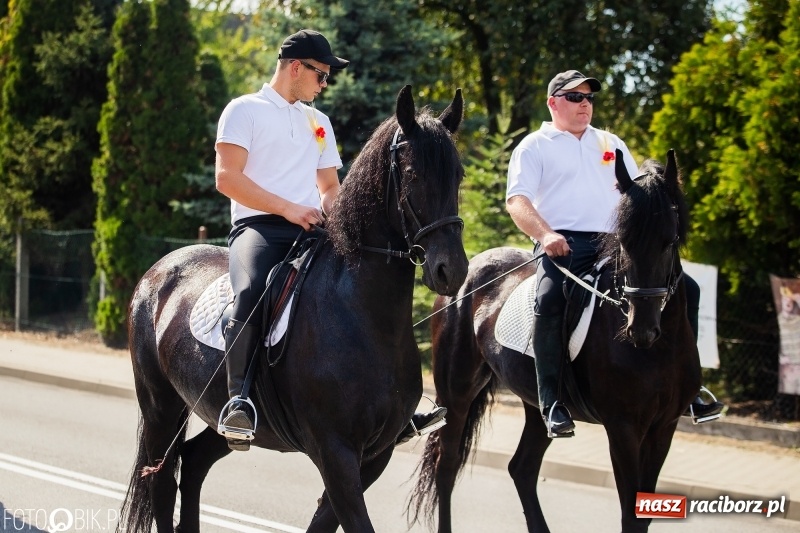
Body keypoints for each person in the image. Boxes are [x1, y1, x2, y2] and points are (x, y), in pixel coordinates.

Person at [215, 29, 446, 449]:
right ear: (296, 67)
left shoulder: (318, 123)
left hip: (315, 228)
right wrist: (287, 208)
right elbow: (227, 178)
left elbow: (328, 187)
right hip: (260, 229)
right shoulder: (243, 110)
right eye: (321, 75)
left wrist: (340, 218)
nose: (325, 85)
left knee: (368, 289)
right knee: (250, 291)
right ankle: (239, 401)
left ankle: (395, 403)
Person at [505, 69, 724, 438]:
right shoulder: (534, 145)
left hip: (616, 243)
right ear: (553, 102)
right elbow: (517, 200)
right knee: (549, 298)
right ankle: (552, 401)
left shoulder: (610, 142)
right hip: (564, 245)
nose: (584, 104)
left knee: (689, 288)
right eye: (575, 97)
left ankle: (690, 388)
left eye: (589, 97)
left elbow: (635, 198)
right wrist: (545, 234)